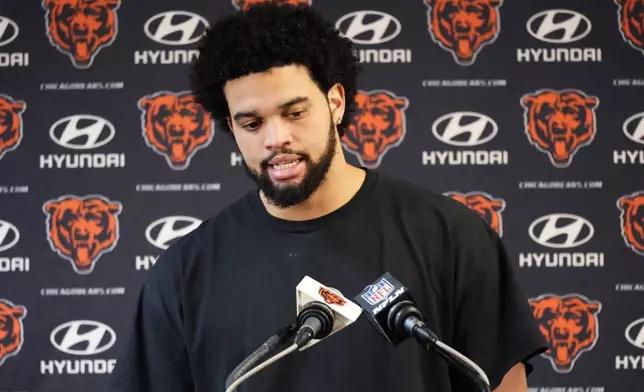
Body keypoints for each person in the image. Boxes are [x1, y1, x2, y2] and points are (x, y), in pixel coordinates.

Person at [107, 3, 547, 392]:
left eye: (294, 112)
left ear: (336, 102)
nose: (276, 138)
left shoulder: (452, 237)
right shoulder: (186, 272)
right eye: (252, 123)